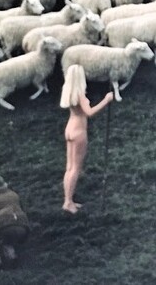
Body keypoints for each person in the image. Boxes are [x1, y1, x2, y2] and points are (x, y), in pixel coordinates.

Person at [60, 64, 114, 214]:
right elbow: (89, 112)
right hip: (79, 132)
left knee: (69, 167)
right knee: (75, 168)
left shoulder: (69, 93)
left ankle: (68, 198)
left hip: (69, 129)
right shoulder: (80, 95)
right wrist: (106, 100)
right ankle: (68, 202)